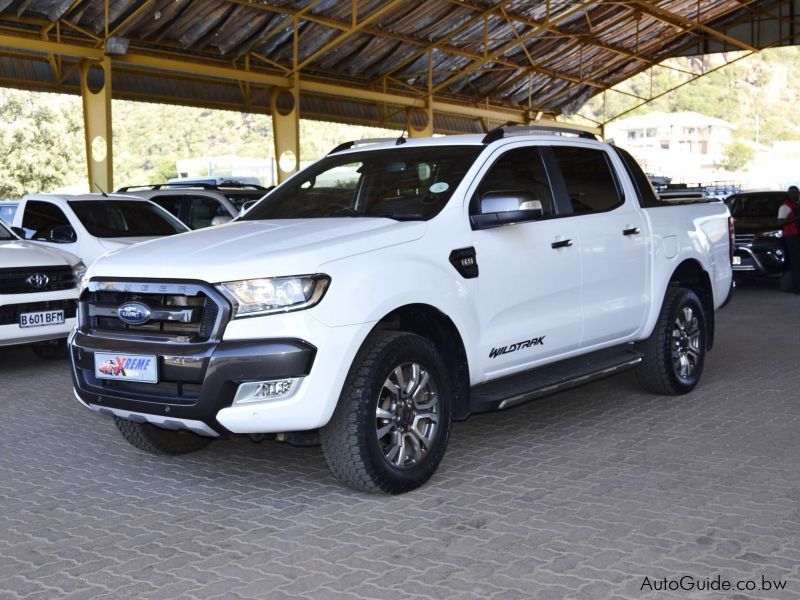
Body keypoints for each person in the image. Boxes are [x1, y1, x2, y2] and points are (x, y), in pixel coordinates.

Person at [778, 185, 800, 293]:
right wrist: (796, 219)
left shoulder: (797, 204)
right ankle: (797, 288)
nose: (794, 194)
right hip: (792, 237)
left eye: (795, 192)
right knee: (796, 263)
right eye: (791, 193)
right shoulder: (785, 207)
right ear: (788, 194)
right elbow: (781, 222)